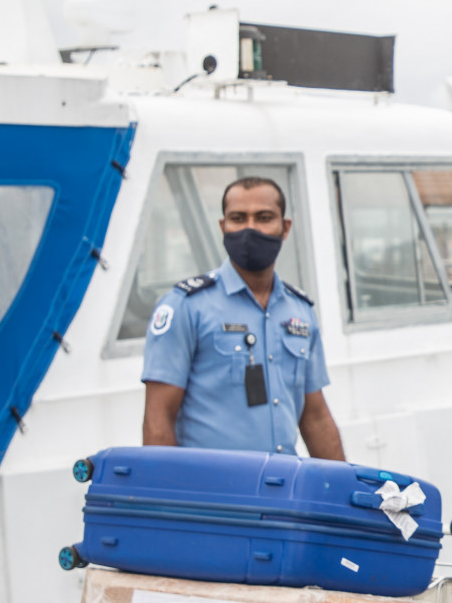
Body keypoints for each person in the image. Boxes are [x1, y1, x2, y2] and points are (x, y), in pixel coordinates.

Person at [142, 176, 344, 459]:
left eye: (263, 218)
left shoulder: (300, 312)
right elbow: (158, 418)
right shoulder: (185, 306)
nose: (250, 228)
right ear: (223, 227)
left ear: (284, 228)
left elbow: (315, 416)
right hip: (214, 493)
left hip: (282, 488)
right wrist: (170, 499)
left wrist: (340, 492)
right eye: (238, 218)